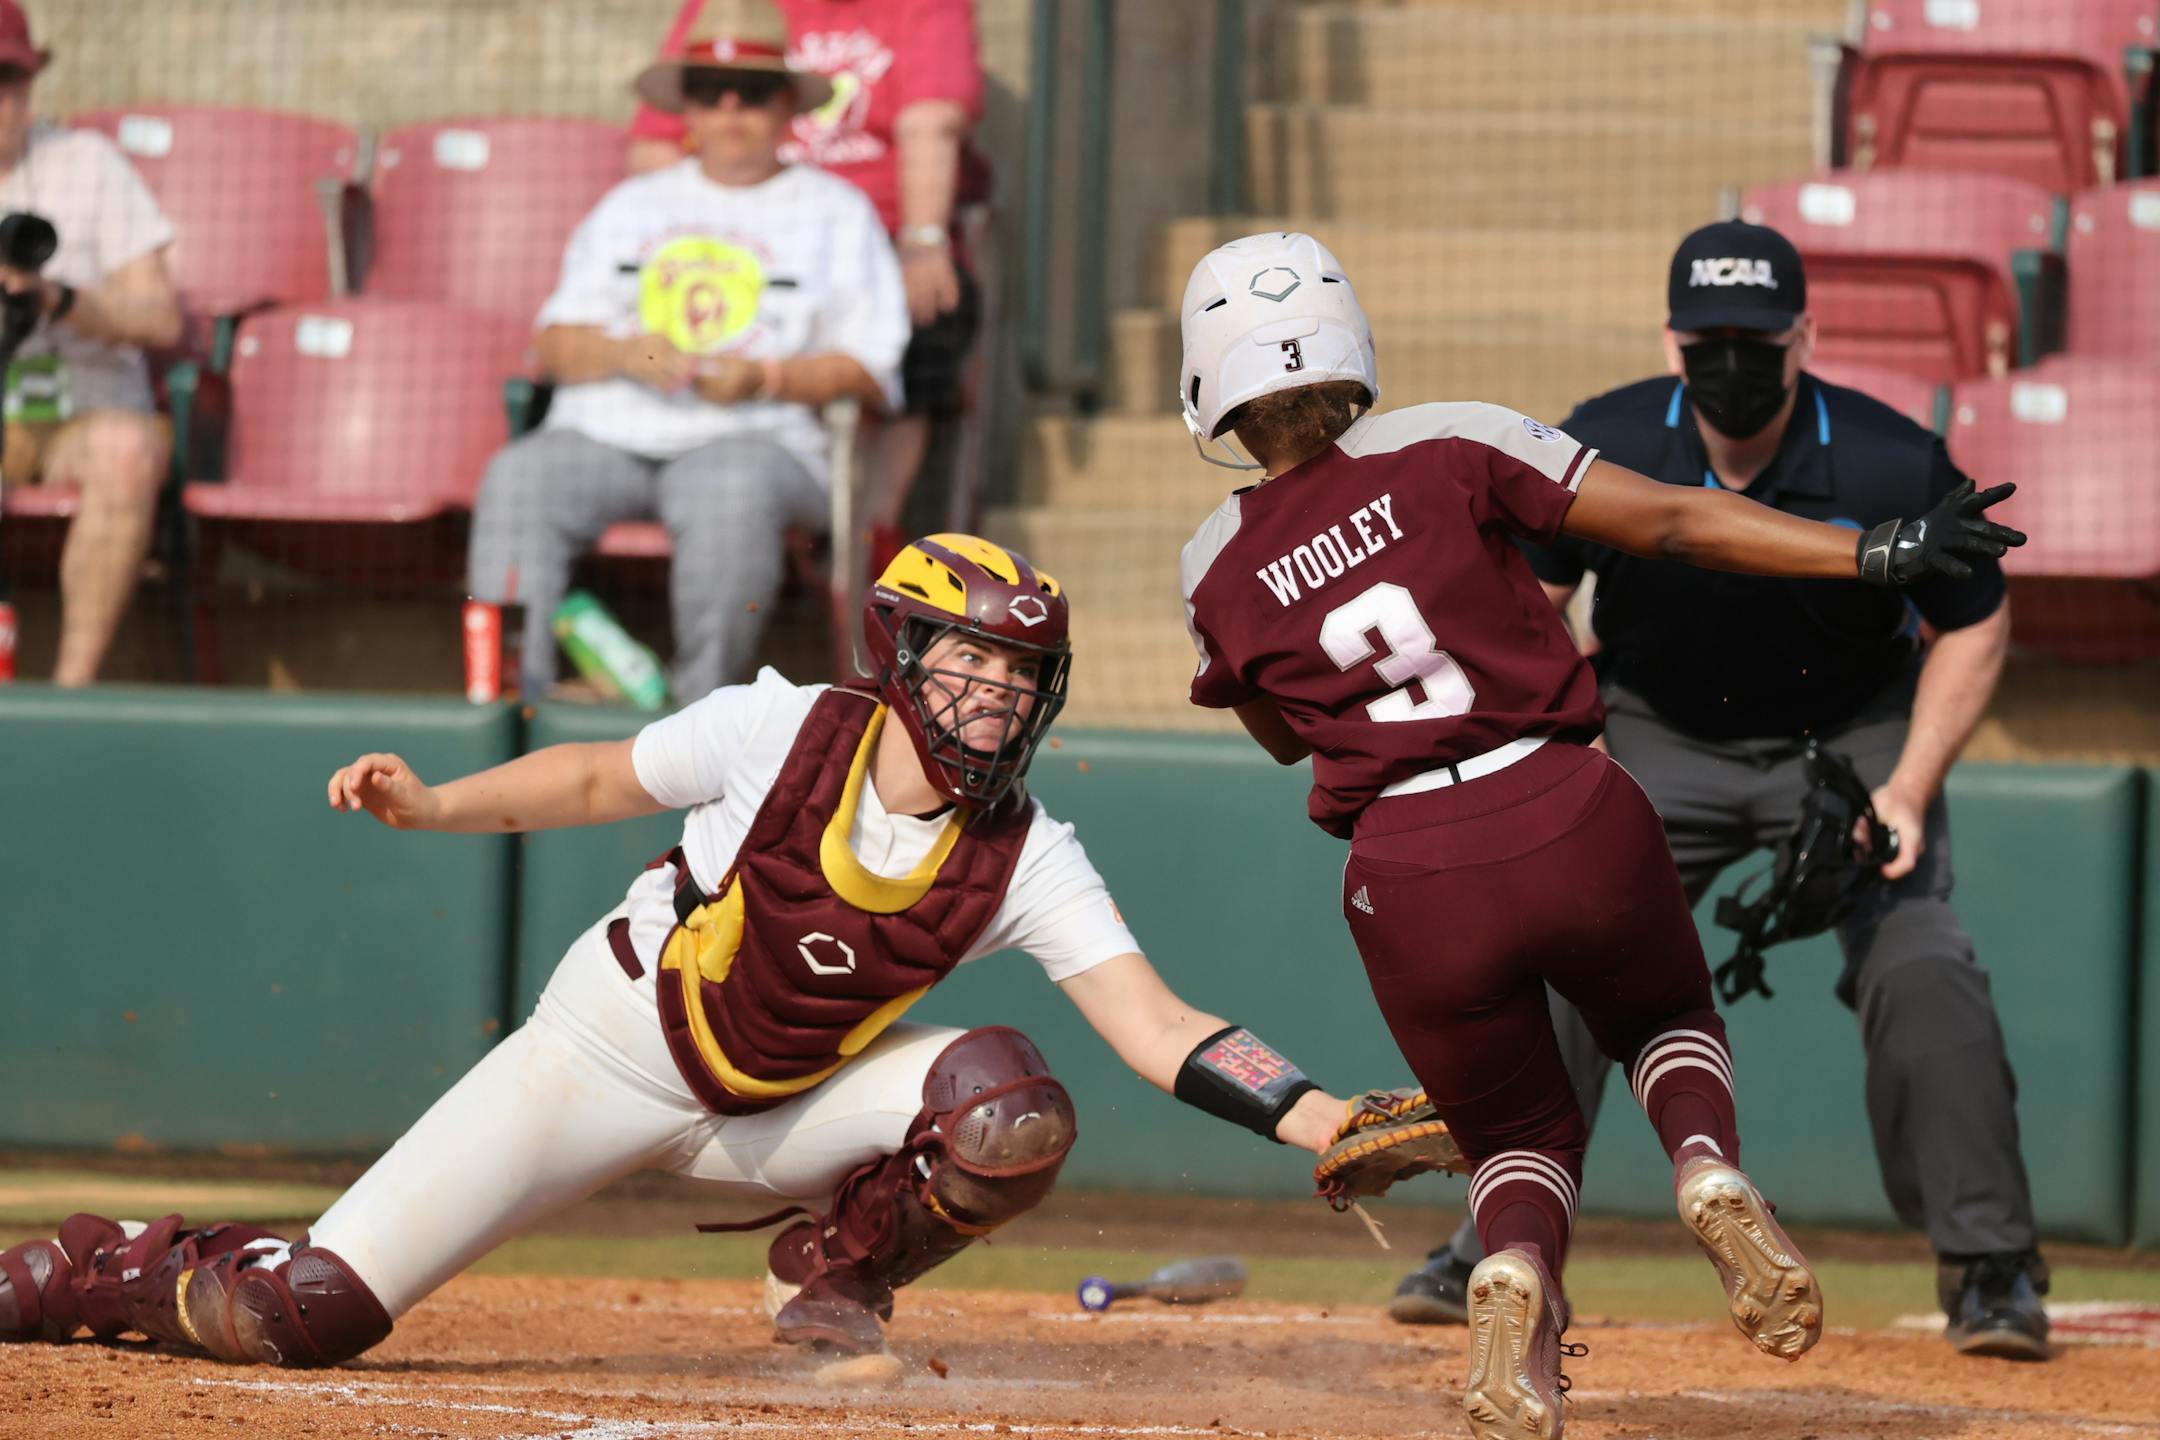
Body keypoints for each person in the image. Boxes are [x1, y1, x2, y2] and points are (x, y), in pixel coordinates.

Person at [0, 532, 1363, 1377]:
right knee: (306, 1314)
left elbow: (1153, 1021)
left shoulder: (1028, 847)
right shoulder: (781, 726)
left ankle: (835, 1274)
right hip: (605, 1050)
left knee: (1011, 1106)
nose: (996, 702)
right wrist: (433, 805)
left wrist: (1319, 1116)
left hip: (775, 1119)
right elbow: (597, 779)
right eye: (971, 667)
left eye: (1020, 681)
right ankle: (88, 1269)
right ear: (901, 656)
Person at [1175, 232, 2024, 1440]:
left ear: (1210, 384)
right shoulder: (1451, 434)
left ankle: (1513, 1272)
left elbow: (1274, 733)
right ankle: (1706, 1165)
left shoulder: (1209, 560)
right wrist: (1869, 551)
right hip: (1565, 801)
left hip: (1405, 870)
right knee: (1667, 1019)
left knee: (1518, 1135)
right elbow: (1673, 524)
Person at [1390, 220, 2050, 1362]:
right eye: (1709, 341)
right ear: (1672, 339)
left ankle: (1991, 1269)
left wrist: (1905, 788)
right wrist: (1552, 757)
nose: (1731, 361)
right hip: (1657, 732)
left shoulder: (1891, 461)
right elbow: (1527, 613)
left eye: (1756, 339)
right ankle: (1497, 1249)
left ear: (1804, 336)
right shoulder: (1609, 439)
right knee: (1558, 952)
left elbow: (1978, 624)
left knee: (1925, 962)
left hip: (1847, 743)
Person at [466, 0, 910, 702]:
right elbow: (550, 344)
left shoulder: (838, 212)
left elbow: (875, 371)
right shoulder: (630, 205)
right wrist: (623, 353)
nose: (731, 109)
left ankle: (692, 720)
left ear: (788, 104)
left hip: (756, 441)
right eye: (709, 90)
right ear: (688, 110)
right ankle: (513, 709)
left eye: (755, 92)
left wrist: (767, 376)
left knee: (729, 492)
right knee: (518, 477)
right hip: (603, 435)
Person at [629, 0, 987, 572]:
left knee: (919, 313)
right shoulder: (728, 10)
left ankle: (870, 535)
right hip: (738, 244)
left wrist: (922, 241)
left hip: (877, 238)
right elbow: (657, 142)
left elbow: (930, 123)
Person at [0, 0, 182, 686]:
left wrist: (62, 299)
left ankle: (66, 699)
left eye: (9, 81)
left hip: (84, 409)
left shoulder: (87, 163)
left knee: (129, 451)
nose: (1, 100)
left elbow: (161, 318)